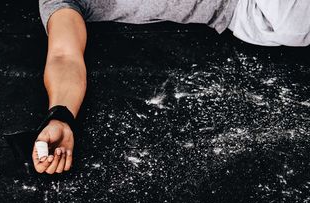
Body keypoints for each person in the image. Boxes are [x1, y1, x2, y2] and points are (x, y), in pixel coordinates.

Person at [32, 0, 310, 174]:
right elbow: (63, 55)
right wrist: (61, 115)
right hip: (243, 10)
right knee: (292, 23)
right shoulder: (61, 2)